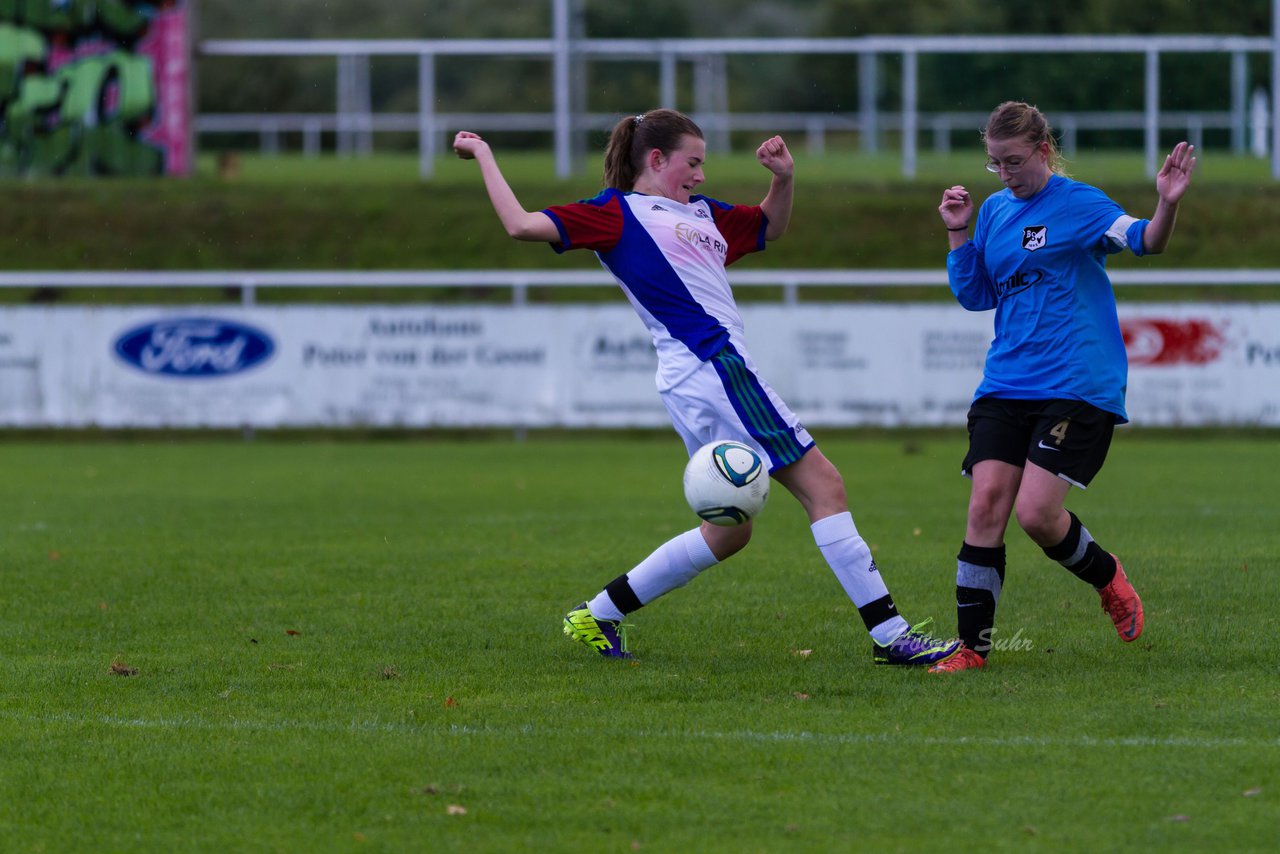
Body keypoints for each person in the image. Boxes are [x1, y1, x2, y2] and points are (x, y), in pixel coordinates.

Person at [454, 108, 959, 666]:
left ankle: (598, 613)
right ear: (655, 160)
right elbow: (520, 224)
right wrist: (484, 155)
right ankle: (891, 634)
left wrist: (783, 178)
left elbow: (772, 225)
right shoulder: (618, 213)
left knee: (728, 531)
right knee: (824, 487)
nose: (699, 175)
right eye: (691, 163)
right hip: (713, 365)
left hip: (694, 377)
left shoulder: (703, 214)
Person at [932, 101, 1196, 673]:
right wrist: (958, 231)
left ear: (1043, 151)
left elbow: (1145, 241)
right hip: (1006, 383)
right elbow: (978, 294)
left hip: (1077, 383)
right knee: (984, 507)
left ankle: (1108, 577)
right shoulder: (997, 212)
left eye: (1014, 162)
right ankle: (971, 650)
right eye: (994, 164)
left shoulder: (1079, 203)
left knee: (1036, 515)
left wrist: (1166, 205)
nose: (1004, 175)